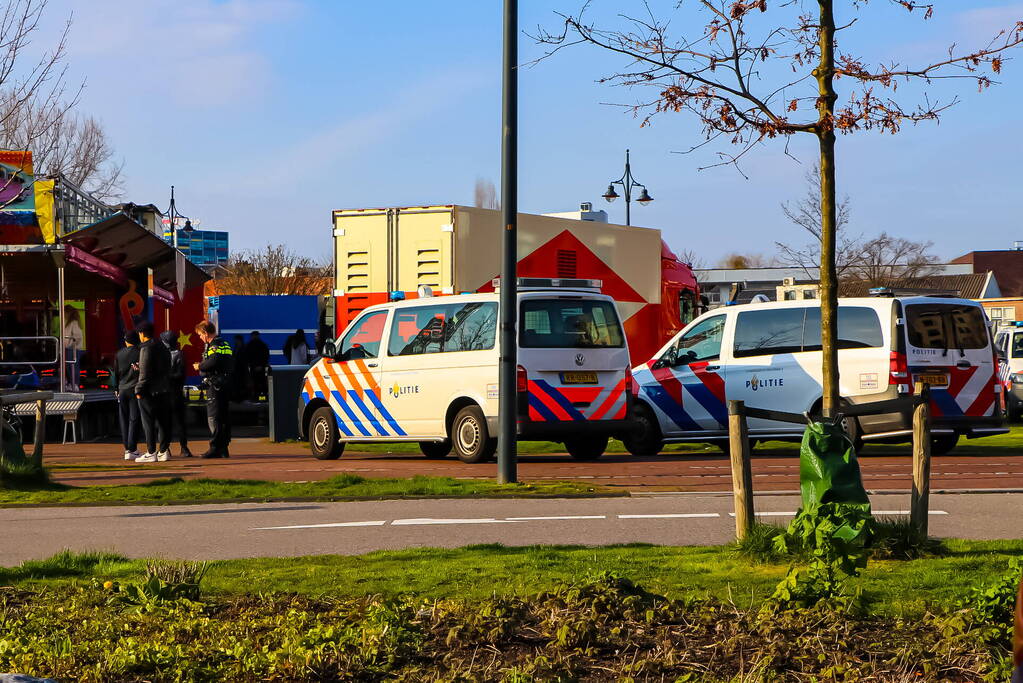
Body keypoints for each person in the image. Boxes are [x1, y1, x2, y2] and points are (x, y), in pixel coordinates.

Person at [193, 319, 233, 458]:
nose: (200, 337)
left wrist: (200, 366)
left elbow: (213, 361)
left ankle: (215, 447)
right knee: (223, 417)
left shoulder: (214, 345)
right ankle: (223, 447)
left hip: (215, 385)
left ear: (205, 332)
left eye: (199, 334)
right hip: (224, 384)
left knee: (214, 417)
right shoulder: (224, 343)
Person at [134, 321, 172, 463]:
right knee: (163, 422)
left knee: (148, 422)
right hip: (164, 389)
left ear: (142, 333)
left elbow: (144, 373)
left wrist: (138, 389)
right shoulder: (163, 346)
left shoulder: (146, 348)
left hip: (149, 391)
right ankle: (163, 451)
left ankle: (151, 452)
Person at [160, 330, 193, 458]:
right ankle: (183, 447)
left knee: (166, 423)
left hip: (169, 393)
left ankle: (166, 448)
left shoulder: (171, 355)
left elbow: (179, 374)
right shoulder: (179, 354)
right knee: (179, 422)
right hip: (176, 392)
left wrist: (165, 377)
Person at [112, 331, 142, 460]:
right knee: (134, 419)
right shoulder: (140, 352)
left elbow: (115, 373)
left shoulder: (119, 354)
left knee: (123, 419)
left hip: (122, 389)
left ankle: (127, 448)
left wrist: (116, 388)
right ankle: (132, 448)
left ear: (126, 341)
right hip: (135, 388)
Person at [63, 305, 83, 391]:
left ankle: (75, 384)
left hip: (73, 348)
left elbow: (77, 336)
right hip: (69, 348)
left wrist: (70, 344)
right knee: (69, 366)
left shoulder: (74, 322)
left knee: (73, 366)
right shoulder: (68, 322)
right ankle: (72, 383)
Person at [245, 331, 270, 399]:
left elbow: (247, 357)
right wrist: (262, 365)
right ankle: (262, 398)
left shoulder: (249, 345)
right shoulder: (263, 345)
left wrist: (251, 365)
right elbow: (266, 356)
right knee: (262, 384)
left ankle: (254, 398)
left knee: (254, 384)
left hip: (253, 367)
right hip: (261, 368)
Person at [231, 334, 250, 401]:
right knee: (237, 383)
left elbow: (244, 360)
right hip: (236, 370)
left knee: (241, 383)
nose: (236, 341)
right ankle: (237, 397)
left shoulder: (242, 349)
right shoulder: (237, 348)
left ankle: (241, 398)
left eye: (237, 340)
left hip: (241, 370)